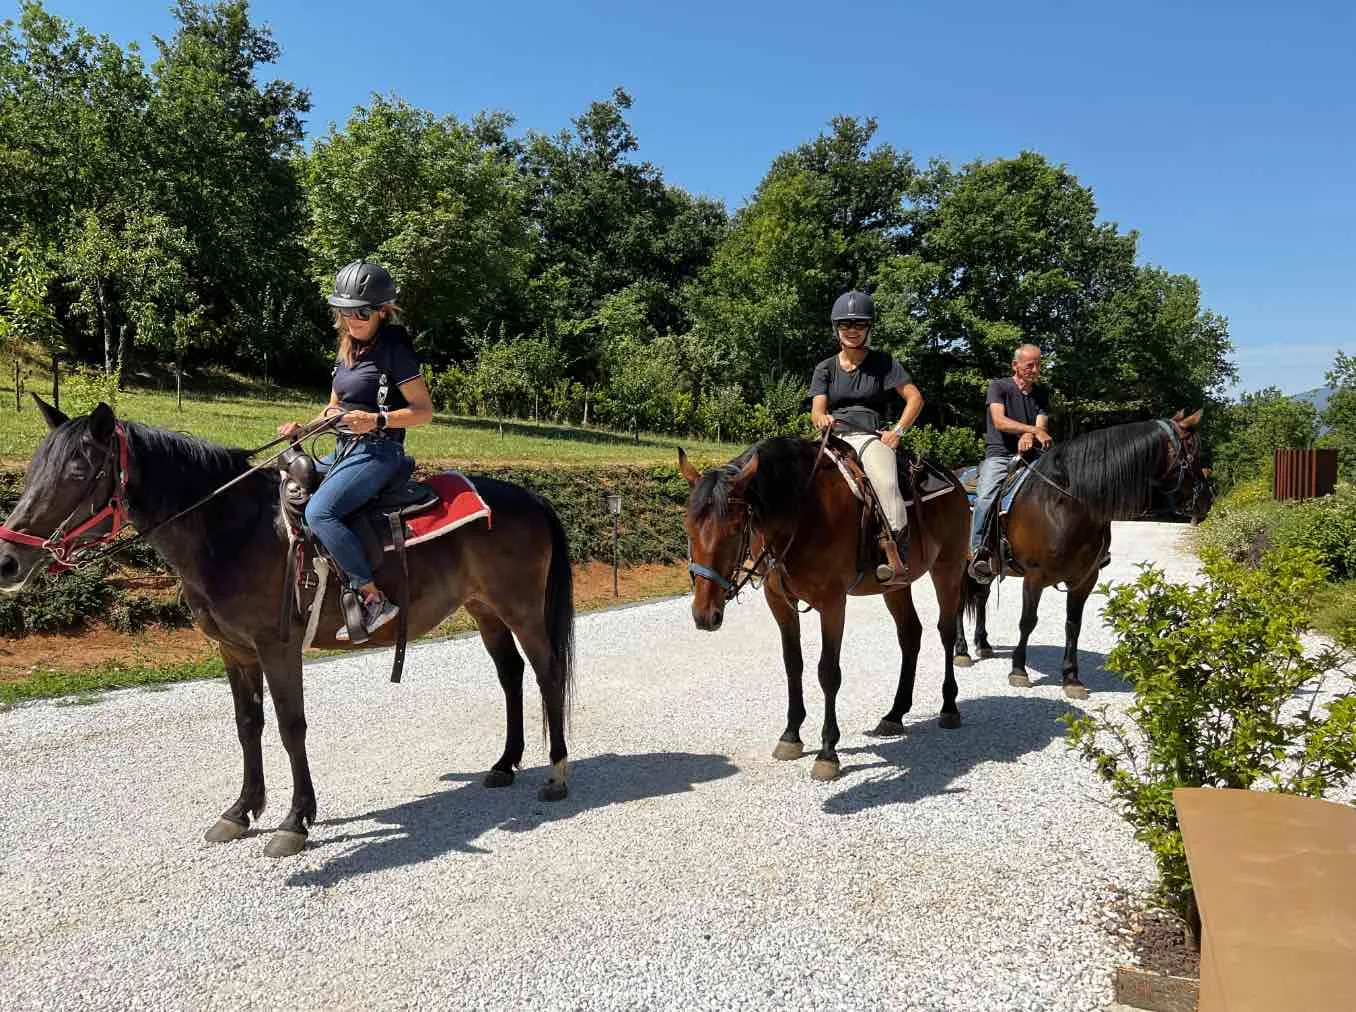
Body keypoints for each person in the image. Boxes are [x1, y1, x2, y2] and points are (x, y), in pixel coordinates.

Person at [277, 260, 434, 640]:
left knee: (320, 511)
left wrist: (377, 420)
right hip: (344, 447)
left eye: (361, 311)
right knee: (285, 480)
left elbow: (423, 412)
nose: (352, 319)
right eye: (344, 310)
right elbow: (334, 406)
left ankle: (372, 597)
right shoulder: (347, 348)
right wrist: (306, 426)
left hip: (378, 452)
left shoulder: (395, 349)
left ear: (382, 311)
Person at [809, 290, 924, 585]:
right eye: (846, 325)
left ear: (868, 329)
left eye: (858, 325)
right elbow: (817, 410)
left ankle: (897, 552)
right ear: (837, 328)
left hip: (871, 437)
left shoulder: (884, 363)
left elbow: (915, 399)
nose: (852, 330)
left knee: (885, 483)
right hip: (834, 438)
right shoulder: (825, 368)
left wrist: (897, 431)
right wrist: (821, 418)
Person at [968, 343, 1051, 582]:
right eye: (1029, 364)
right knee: (985, 496)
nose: (1034, 369)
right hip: (1000, 454)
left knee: (1062, 485)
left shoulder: (1041, 393)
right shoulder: (999, 387)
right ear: (1015, 365)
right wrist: (1029, 430)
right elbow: (1000, 421)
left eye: (1038, 364)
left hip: (1033, 456)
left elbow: (1041, 427)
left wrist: (1030, 434)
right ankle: (979, 551)